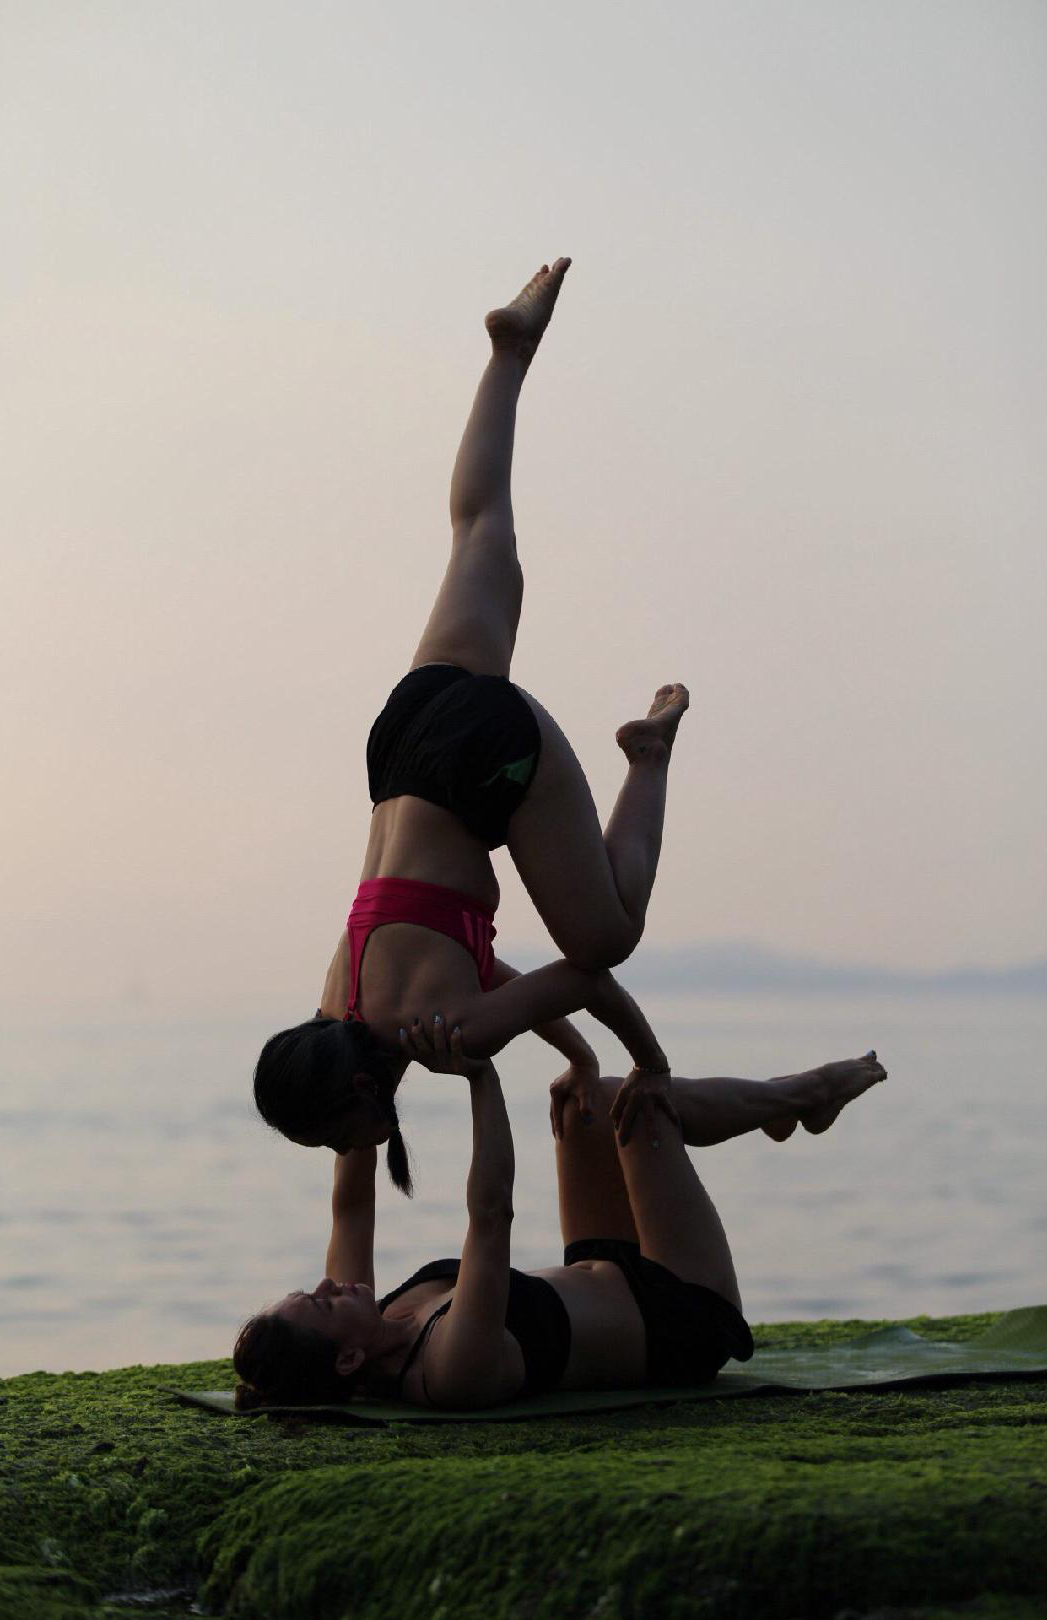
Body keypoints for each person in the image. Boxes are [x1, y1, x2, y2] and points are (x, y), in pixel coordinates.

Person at [254, 258, 691, 1187]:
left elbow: (578, 981)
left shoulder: (438, 1031)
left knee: (605, 937)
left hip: (485, 753)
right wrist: (574, 1059)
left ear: (361, 1099)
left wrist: (647, 1068)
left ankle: (646, 761)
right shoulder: (343, 1001)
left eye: (337, 1138)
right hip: (406, 743)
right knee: (480, 531)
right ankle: (508, 354)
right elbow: (502, 986)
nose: (347, 1150)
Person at [233, 1031, 886, 1410]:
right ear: (347, 1358)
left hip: (597, 1264)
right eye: (319, 1305)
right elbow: (491, 1216)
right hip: (681, 1313)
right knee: (641, 1108)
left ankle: (774, 1111)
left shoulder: (370, 1314)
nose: (327, 1286)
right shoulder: (448, 1369)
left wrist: (346, 1045)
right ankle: (804, 1096)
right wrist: (478, 1073)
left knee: (586, 1104)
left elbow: (351, 1203)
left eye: (310, 1290)